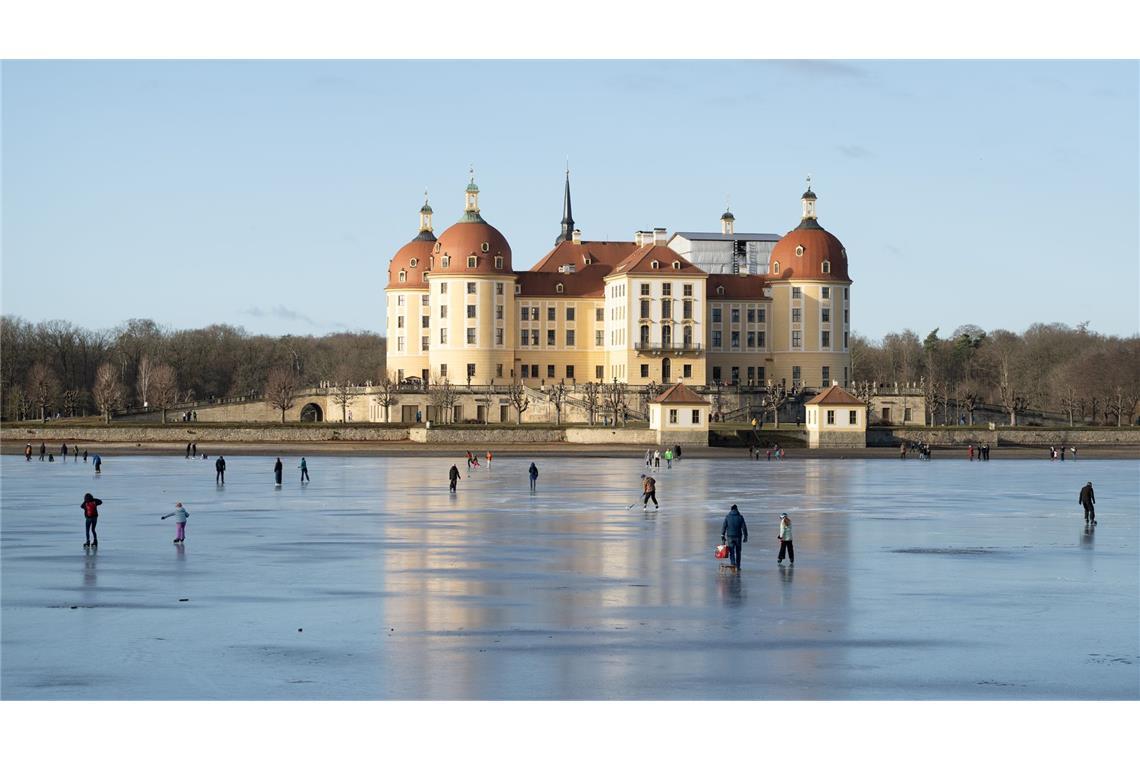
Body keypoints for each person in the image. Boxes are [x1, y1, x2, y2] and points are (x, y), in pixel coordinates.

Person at [720, 504, 748, 571]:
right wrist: (745, 536)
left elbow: (724, 527)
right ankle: (738, 567)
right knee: (738, 552)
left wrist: (722, 535)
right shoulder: (740, 517)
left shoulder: (727, 517)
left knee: (731, 552)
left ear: (731, 509)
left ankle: (733, 565)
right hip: (738, 537)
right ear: (737, 509)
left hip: (730, 537)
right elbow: (744, 528)